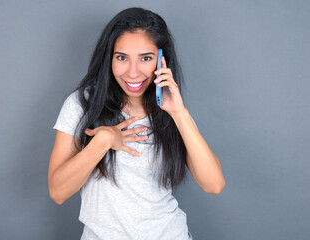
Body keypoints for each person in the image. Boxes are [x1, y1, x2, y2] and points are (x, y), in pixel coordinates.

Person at [48, 7, 225, 240]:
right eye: (122, 58)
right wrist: (101, 142)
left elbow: (214, 185)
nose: (133, 72)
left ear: (161, 61)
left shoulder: (172, 112)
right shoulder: (82, 105)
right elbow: (58, 191)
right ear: (109, 58)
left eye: (146, 58)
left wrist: (179, 113)